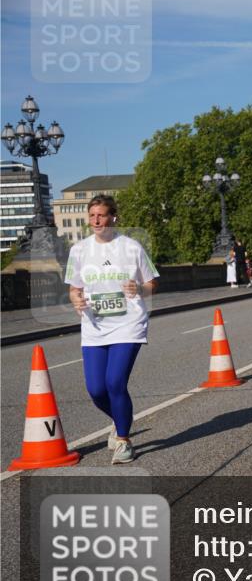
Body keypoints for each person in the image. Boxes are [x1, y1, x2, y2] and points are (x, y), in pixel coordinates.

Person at [65, 195, 159, 465]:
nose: (96, 220)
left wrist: (138, 288)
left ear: (113, 217)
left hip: (128, 323)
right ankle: (119, 422)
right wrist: (76, 300)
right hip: (94, 325)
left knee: (115, 382)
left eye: (101, 215)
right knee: (96, 390)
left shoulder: (131, 247)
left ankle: (124, 440)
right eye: (92, 215)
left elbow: (153, 284)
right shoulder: (79, 250)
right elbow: (74, 288)